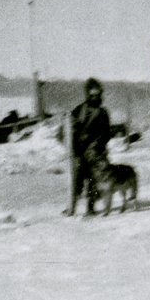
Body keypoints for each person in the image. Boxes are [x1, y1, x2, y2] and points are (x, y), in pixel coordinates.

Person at [65, 77, 112, 216]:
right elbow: (70, 129)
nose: (95, 97)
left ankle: (91, 207)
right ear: (88, 94)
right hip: (79, 150)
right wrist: (76, 142)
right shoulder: (79, 110)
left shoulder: (103, 112)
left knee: (95, 178)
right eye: (92, 95)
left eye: (97, 94)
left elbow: (107, 133)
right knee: (77, 178)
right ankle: (71, 206)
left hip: (96, 151)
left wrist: (97, 142)